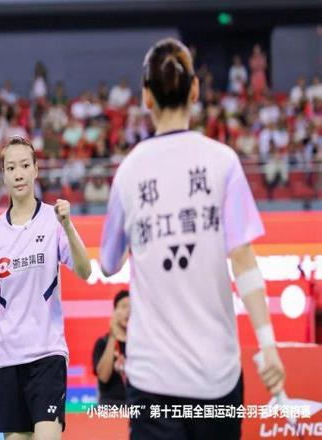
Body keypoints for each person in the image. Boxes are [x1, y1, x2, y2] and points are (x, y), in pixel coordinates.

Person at [100, 38, 285, 440]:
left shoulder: (129, 172)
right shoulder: (223, 162)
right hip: (217, 377)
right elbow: (244, 260)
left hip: (152, 382)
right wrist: (268, 344)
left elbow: (108, 263)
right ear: (196, 90)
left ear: (146, 96)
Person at [0, 135, 91, 439]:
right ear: (4, 175)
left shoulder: (54, 220)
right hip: (7, 361)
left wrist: (68, 226)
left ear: (35, 170)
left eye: (24, 165)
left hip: (47, 355)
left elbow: (85, 271)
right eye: (11, 167)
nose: (18, 174)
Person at [92, 290, 130, 405]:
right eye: (124, 307)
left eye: (132, 307)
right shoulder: (102, 343)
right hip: (110, 407)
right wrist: (113, 336)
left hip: (137, 407)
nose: (128, 311)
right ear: (114, 312)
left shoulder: (141, 344)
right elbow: (103, 377)